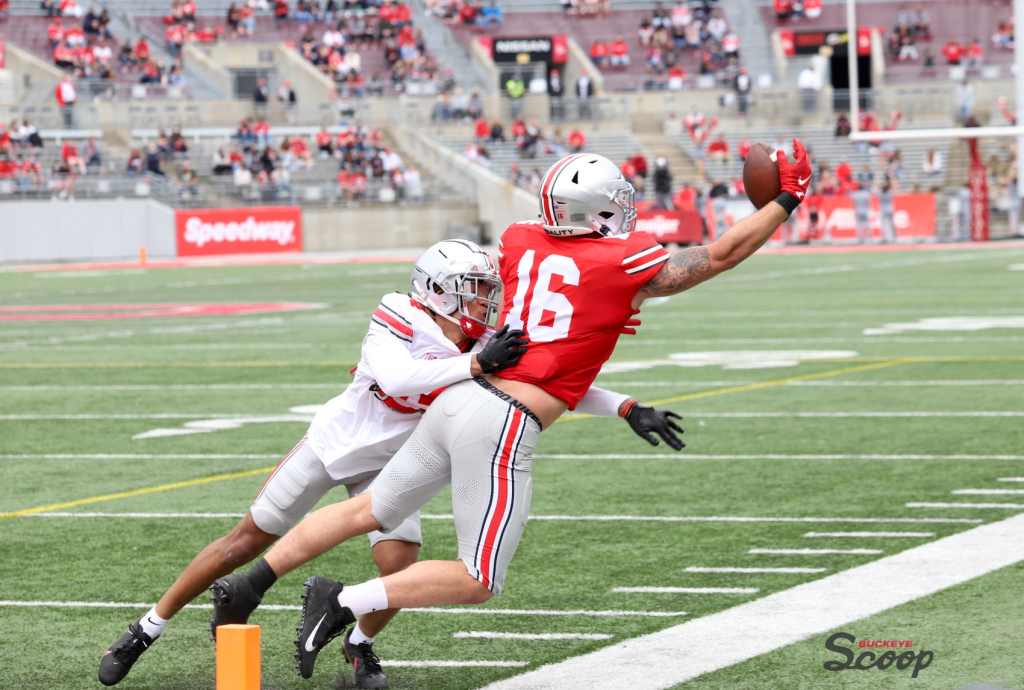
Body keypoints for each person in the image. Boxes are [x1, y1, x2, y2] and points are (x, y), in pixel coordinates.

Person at [216, 144, 812, 683]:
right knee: (477, 578)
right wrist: (786, 199)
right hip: (502, 422)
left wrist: (623, 401)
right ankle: (342, 601)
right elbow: (723, 253)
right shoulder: (622, 260)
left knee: (367, 510)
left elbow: (550, 341)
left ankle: (255, 580)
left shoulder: (520, 240)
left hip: (460, 396)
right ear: (595, 210)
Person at [97, 241, 531, 688]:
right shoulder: (401, 312)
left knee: (400, 564)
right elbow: (397, 378)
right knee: (242, 544)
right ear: (438, 290)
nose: (486, 299)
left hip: (390, 465)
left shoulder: (486, 345)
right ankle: (147, 628)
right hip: (333, 443)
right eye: (476, 287)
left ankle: (359, 643)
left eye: (487, 288)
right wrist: (476, 364)